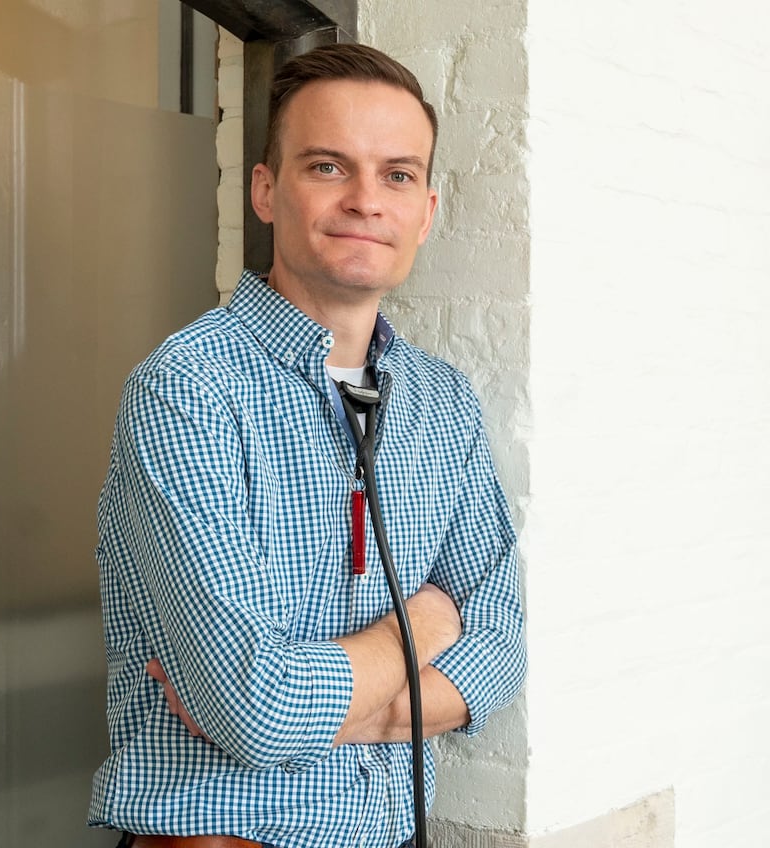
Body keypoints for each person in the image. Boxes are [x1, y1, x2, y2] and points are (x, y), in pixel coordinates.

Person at [87, 43, 527, 848]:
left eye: (397, 175)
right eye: (328, 167)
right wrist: (419, 628)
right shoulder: (188, 390)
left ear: (425, 211)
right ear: (265, 189)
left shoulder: (441, 402)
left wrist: (331, 712)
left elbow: (501, 644)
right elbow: (257, 704)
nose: (367, 200)